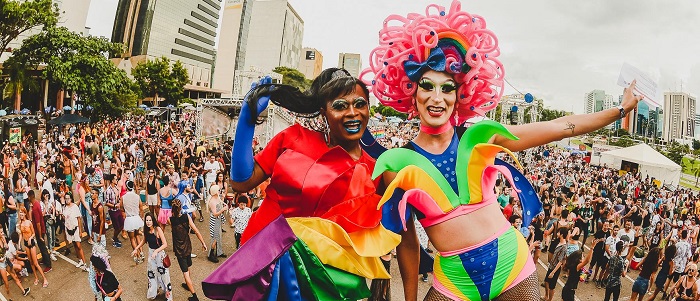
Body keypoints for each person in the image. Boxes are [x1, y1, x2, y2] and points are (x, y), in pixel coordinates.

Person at [364, 2, 643, 300]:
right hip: (455, 281)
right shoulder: (394, 164)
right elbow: (406, 242)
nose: (437, 97)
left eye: (447, 88)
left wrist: (618, 110)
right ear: (411, 90)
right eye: (426, 86)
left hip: (513, 268)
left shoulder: (479, 138)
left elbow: (560, 126)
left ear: (461, 94)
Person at [203, 69, 400, 300]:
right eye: (340, 106)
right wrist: (247, 121)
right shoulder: (293, 138)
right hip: (264, 267)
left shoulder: (377, 171)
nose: (352, 113)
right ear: (323, 112)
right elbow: (241, 182)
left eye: (360, 104)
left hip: (322, 282)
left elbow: (392, 235)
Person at [170, 199, 207, 301]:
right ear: (181, 208)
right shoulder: (187, 217)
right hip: (188, 247)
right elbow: (196, 231)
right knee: (188, 268)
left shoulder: (171, 220)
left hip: (179, 250)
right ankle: (188, 284)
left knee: (185, 272)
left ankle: (194, 296)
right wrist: (203, 243)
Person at [132, 212, 172, 301]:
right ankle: (153, 293)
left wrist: (157, 251)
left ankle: (168, 296)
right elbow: (144, 241)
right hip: (151, 255)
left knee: (164, 274)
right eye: (147, 220)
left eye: (150, 220)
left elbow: (165, 244)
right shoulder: (146, 230)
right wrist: (136, 248)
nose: (148, 222)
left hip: (160, 254)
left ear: (153, 220)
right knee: (151, 274)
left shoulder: (157, 229)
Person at [18, 206, 49, 288]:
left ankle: (44, 279)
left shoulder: (29, 222)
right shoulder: (20, 223)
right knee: (31, 262)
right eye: (19, 212)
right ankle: (36, 277)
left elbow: (34, 233)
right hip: (25, 244)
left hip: (31, 243)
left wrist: (31, 238)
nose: (20, 214)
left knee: (35, 263)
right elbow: (21, 234)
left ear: (24, 213)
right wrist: (18, 242)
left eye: (21, 212)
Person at [0, 225, 30, 299]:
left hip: (6, 261)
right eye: (1, 232)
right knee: (6, 283)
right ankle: (9, 298)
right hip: (1, 264)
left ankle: (24, 291)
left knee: (15, 277)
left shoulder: (3, 238)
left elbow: (6, 248)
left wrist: (4, 241)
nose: (3, 233)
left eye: (2, 231)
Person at [63, 192, 87, 270]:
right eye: (66, 198)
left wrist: (80, 231)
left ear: (71, 198)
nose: (67, 200)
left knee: (79, 245)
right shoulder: (64, 207)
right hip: (68, 229)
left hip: (75, 228)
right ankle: (80, 260)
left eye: (68, 198)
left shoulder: (75, 207)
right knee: (74, 245)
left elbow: (79, 219)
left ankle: (84, 262)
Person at [122, 180, 145, 263]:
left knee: (132, 238)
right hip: (136, 218)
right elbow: (141, 208)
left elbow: (122, 208)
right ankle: (141, 252)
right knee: (137, 236)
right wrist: (141, 217)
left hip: (129, 219)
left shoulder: (123, 197)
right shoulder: (137, 196)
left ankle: (137, 255)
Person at [544, 228, 568, 301]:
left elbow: (560, 261)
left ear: (561, 235)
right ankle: (546, 296)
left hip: (555, 268)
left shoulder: (564, 247)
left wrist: (553, 272)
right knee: (546, 281)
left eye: (558, 233)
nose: (557, 234)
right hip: (551, 266)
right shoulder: (558, 242)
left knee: (552, 286)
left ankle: (549, 299)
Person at [206, 184, 227, 263]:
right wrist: (223, 209)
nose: (219, 191)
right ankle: (211, 254)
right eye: (218, 190)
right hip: (215, 220)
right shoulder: (212, 201)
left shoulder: (217, 198)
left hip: (218, 220)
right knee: (215, 237)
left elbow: (221, 203)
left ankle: (219, 252)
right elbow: (215, 214)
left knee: (219, 236)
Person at [104, 174, 124, 248]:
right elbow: (106, 203)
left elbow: (118, 198)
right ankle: (115, 238)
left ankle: (115, 237)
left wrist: (119, 203)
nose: (117, 180)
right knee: (116, 227)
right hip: (112, 211)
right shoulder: (108, 190)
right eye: (115, 179)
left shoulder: (116, 188)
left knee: (122, 224)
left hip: (118, 209)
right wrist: (114, 205)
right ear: (112, 180)